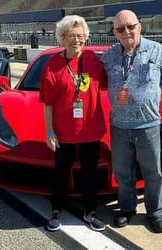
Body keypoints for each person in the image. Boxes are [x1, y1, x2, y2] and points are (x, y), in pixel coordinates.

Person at [101, 9, 162, 234]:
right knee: (123, 173)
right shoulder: (109, 56)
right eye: (120, 29)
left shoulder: (157, 50)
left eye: (130, 26)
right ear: (115, 33)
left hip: (149, 126)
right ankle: (127, 209)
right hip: (119, 127)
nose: (127, 32)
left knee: (153, 173)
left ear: (139, 27)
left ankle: (155, 212)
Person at [39, 15, 107, 232]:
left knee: (90, 173)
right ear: (62, 38)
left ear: (85, 38)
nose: (76, 40)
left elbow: (112, 83)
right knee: (61, 171)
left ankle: (90, 212)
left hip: (91, 129)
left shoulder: (94, 60)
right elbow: (47, 102)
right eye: (70, 36)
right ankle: (56, 210)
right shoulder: (53, 64)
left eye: (80, 36)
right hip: (64, 131)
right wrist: (49, 130)